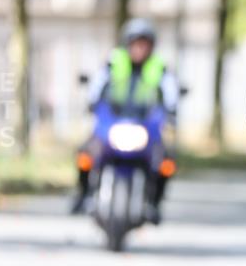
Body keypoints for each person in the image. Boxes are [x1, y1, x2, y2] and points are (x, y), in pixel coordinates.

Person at [70, 18, 180, 224]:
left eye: (144, 44)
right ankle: (83, 194)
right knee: (84, 154)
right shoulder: (114, 62)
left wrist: (172, 110)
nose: (140, 48)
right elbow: (98, 82)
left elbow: (170, 89)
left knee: (166, 161)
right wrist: (91, 102)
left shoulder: (158, 67)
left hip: (144, 124)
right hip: (114, 121)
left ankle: (155, 203)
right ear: (127, 44)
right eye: (136, 43)